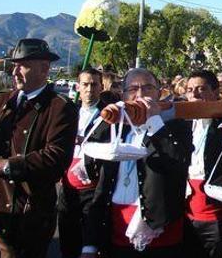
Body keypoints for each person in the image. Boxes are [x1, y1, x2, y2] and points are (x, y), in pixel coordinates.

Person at [82, 68, 192, 258]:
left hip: (160, 239)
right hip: (115, 234)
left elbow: (178, 162)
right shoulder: (116, 130)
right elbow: (94, 170)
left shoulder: (176, 126)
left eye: (148, 88)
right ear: (123, 95)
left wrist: (154, 121)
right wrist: (108, 117)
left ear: (159, 93)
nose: (140, 94)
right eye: (133, 89)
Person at [0, 39, 78, 258]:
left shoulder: (59, 108)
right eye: (14, 65)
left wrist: (6, 165)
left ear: (44, 68)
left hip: (28, 217)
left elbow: (56, 157)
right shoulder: (0, 101)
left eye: (23, 65)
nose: (15, 71)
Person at [59, 68, 114, 258]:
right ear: (78, 87)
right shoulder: (67, 113)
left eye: (94, 84)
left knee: (90, 244)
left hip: (93, 188)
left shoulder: (109, 115)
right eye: (85, 84)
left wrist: (88, 142)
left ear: (101, 87)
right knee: (68, 241)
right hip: (68, 187)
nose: (89, 89)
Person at [183, 70, 222, 258]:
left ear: (215, 92)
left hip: (216, 216)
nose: (194, 95)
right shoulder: (182, 123)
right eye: (189, 90)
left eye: (201, 89)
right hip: (185, 215)